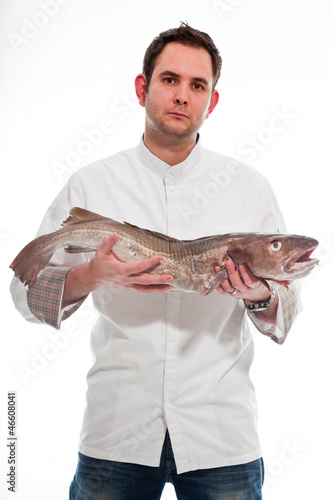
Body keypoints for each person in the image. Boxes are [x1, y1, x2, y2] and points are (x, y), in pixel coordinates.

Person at [10, 22, 300, 500]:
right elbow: (22, 293)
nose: (183, 95)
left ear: (213, 101)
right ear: (143, 88)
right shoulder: (91, 184)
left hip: (221, 438)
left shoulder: (251, 188)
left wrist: (260, 295)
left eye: (197, 85)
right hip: (116, 434)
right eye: (170, 80)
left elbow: (290, 309)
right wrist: (89, 275)